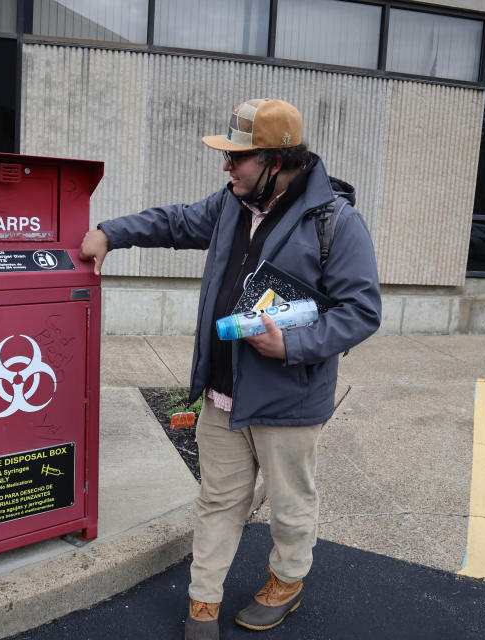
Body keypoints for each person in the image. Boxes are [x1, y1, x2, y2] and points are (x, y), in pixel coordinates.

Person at [79, 98, 381, 639]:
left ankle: (286, 582)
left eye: (238, 158)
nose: (227, 167)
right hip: (223, 392)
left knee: (291, 504)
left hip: (288, 399)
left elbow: (361, 312)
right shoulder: (231, 205)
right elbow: (172, 222)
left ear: (278, 160)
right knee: (218, 499)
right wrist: (111, 231)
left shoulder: (335, 221)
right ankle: (203, 601)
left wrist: (290, 346)